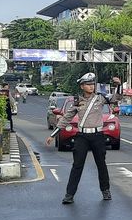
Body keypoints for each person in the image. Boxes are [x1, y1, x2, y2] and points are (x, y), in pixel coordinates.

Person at [48, 72, 121, 204]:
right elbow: (66, 118)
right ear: (82, 86)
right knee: (77, 166)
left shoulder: (100, 98)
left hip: (98, 136)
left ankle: (106, 191)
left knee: (101, 165)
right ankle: (69, 194)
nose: (91, 86)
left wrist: (118, 86)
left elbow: (116, 98)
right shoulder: (77, 101)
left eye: (92, 84)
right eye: (88, 84)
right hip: (82, 137)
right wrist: (53, 135)